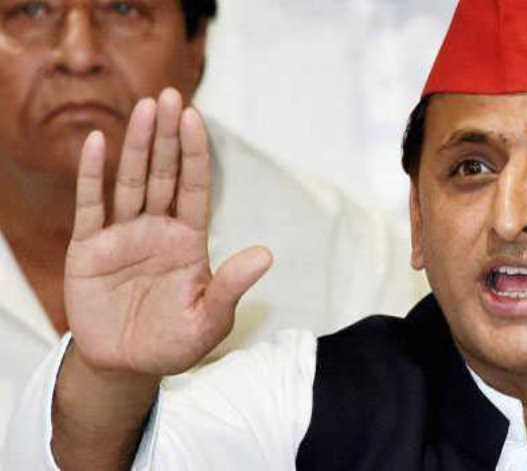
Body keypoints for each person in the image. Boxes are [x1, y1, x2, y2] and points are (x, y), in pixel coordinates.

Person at [6, 0, 527, 469]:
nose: (510, 217)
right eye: (470, 169)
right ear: (417, 222)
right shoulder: (311, 396)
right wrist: (109, 376)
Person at [0, 0, 424, 453]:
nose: (79, 55)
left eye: (124, 10)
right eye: (30, 12)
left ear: (197, 47)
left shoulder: (357, 264)